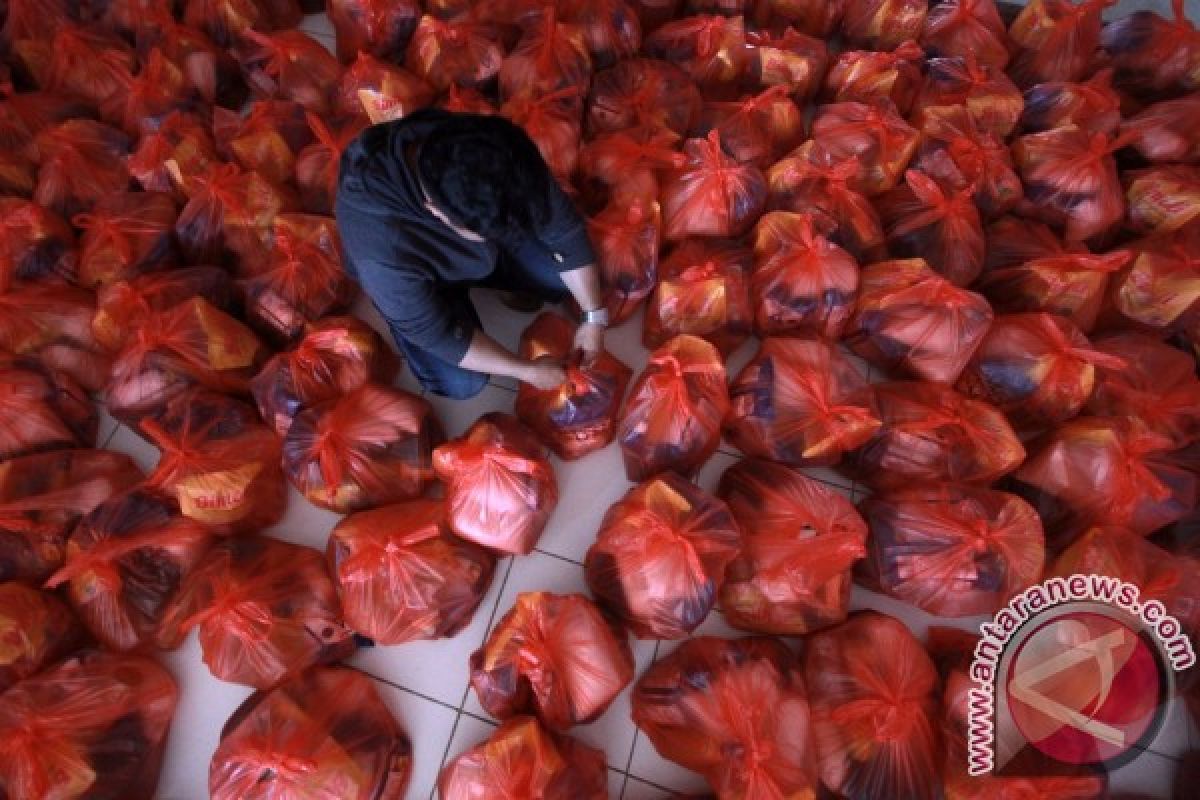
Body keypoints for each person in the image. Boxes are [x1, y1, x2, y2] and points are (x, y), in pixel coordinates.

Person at [334, 108, 609, 399]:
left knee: (560, 277)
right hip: (419, 287)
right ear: (436, 212)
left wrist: (594, 316)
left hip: (474, 247)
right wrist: (525, 371)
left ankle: (495, 272)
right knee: (462, 383)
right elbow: (434, 334)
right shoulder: (381, 249)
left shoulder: (492, 146)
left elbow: (563, 229)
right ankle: (458, 293)